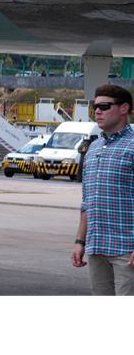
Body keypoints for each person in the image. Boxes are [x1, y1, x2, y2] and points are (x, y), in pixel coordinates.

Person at [71, 85, 133, 295]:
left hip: (127, 249)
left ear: (124, 108)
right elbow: (87, 201)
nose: (97, 111)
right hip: (96, 246)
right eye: (95, 107)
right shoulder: (93, 149)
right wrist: (80, 241)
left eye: (104, 106)